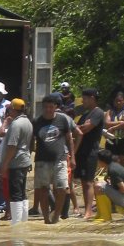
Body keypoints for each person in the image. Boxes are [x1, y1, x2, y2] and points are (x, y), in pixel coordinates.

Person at [33, 94, 75, 224]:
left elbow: (69, 139)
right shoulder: (36, 121)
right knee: (43, 190)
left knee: (62, 188)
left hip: (60, 159)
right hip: (41, 160)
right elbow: (31, 141)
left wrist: (72, 157)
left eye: (51, 107)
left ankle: (57, 214)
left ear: (55, 107)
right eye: (45, 107)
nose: (48, 109)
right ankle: (46, 218)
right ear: (42, 107)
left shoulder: (62, 120)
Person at [72, 88, 105, 220]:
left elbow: (84, 129)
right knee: (83, 181)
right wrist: (78, 128)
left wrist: (77, 128)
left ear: (92, 98)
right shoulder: (86, 115)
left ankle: (88, 211)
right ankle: (87, 209)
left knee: (88, 182)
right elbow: (76, 130)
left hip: (90, 151)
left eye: (84, 98)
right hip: (81, 150)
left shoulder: (98, 113)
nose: (82, 101)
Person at [0, 98, 33, 224]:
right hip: (24, 160)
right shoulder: (27, 122)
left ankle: (16, 223)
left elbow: (12, 146)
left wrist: (5, 164)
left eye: (9, 109)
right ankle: (23, 220)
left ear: (13, 109)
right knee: (22, 192)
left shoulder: (16, 124)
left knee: (15, 193)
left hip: (16, 162)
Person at [93, 148, 124, 218]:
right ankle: (104, 212)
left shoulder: (113, 170)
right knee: (101, 184)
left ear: (101, 161)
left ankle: (105, 216)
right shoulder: (114, 165)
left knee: (98, 186)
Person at [103, 91, 124, 168]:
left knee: (123, 163)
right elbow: (107, 123)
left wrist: (114, 127)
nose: (118, 102)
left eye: (120, 101)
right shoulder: (110, 112)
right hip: (111, 140)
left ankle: (121, 178)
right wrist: (121, 122)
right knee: (111, 162)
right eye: (116, 101)